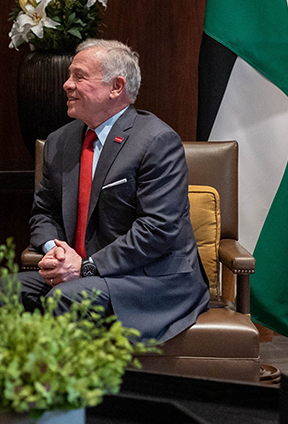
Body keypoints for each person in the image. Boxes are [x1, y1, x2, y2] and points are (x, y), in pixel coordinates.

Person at [16, 38, 209, 342]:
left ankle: (68, 377)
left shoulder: (157, 141)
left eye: (79, 76)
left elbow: (157, 229)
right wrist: (57, 251)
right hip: (83, 274)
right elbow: (44, 213)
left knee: (67, 298)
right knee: (9, 290)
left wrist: (86, 267)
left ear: (116, 87)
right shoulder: (59, 142)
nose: (67, 84)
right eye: (69, 76)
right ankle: (11, 375)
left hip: (150, 278)